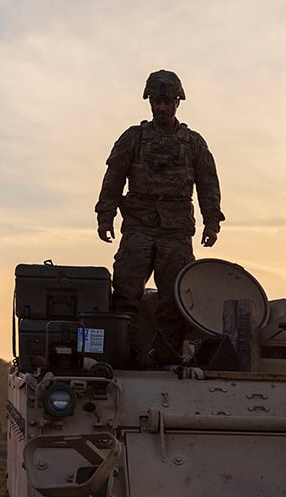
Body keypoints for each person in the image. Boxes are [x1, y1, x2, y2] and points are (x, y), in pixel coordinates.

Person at [95, 69, 224, 362]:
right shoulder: (133, 138)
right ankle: (123, 356)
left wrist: (212, 222)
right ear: (149, 102)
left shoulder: (193, 143)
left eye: (167, 101)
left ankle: (165, 357)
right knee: (126, 294)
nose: (162, 107)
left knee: (174, 299)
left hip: (176, 232)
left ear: (178, 102)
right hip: (138, 227)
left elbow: (208, 184)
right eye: (157, 101)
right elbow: (113, 178)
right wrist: (105, 216)